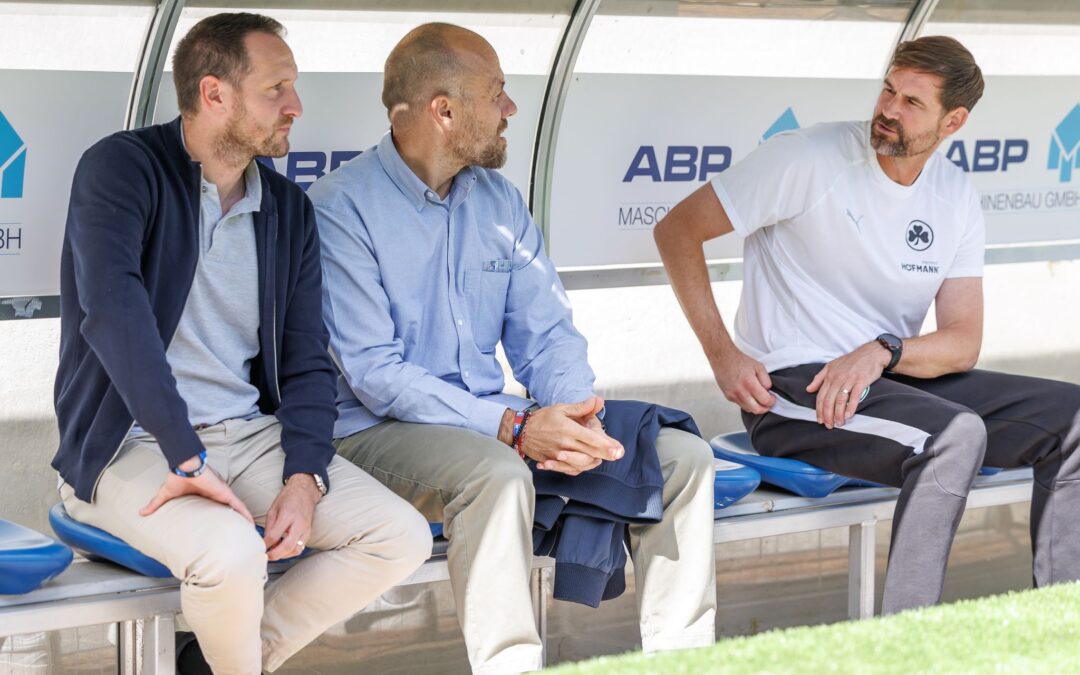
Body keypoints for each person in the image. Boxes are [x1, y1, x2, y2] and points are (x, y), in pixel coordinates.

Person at [308, 22, 717, 674]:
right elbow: (373, 373)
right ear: (444, 110)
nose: (510, 110)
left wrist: (576, 414)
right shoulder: (339, 207)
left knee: (682, 458)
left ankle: (685, 661)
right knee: (493, 475)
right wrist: (516, 425)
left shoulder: (498, 199)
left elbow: (546, 331)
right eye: (496, 93)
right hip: (377, 431)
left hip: (500, 421)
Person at [51, 13, 431, 674]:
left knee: (397, 536)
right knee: (232, 555)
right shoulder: (121, 169)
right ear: (213, 93)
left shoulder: (288, 209)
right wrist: (186, 454)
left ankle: (221, 664)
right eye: (275, 88)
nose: (295, 106)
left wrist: (306, 474)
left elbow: (308, 356)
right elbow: (114, 318)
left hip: (247, 436)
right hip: (130, 443)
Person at [654, 35, 1080, 614]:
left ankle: (1058, 623)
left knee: (1073, 421)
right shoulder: (806, 157)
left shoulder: (953, 195)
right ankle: (903, 642)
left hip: (891, 380)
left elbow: (962, 342)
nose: (889, 110)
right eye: (888, 90)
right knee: (954, 436)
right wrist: (723, 355)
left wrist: (883, 350)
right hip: (791, 386)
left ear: (952, 121)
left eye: (912, 103)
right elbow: (677, 230)